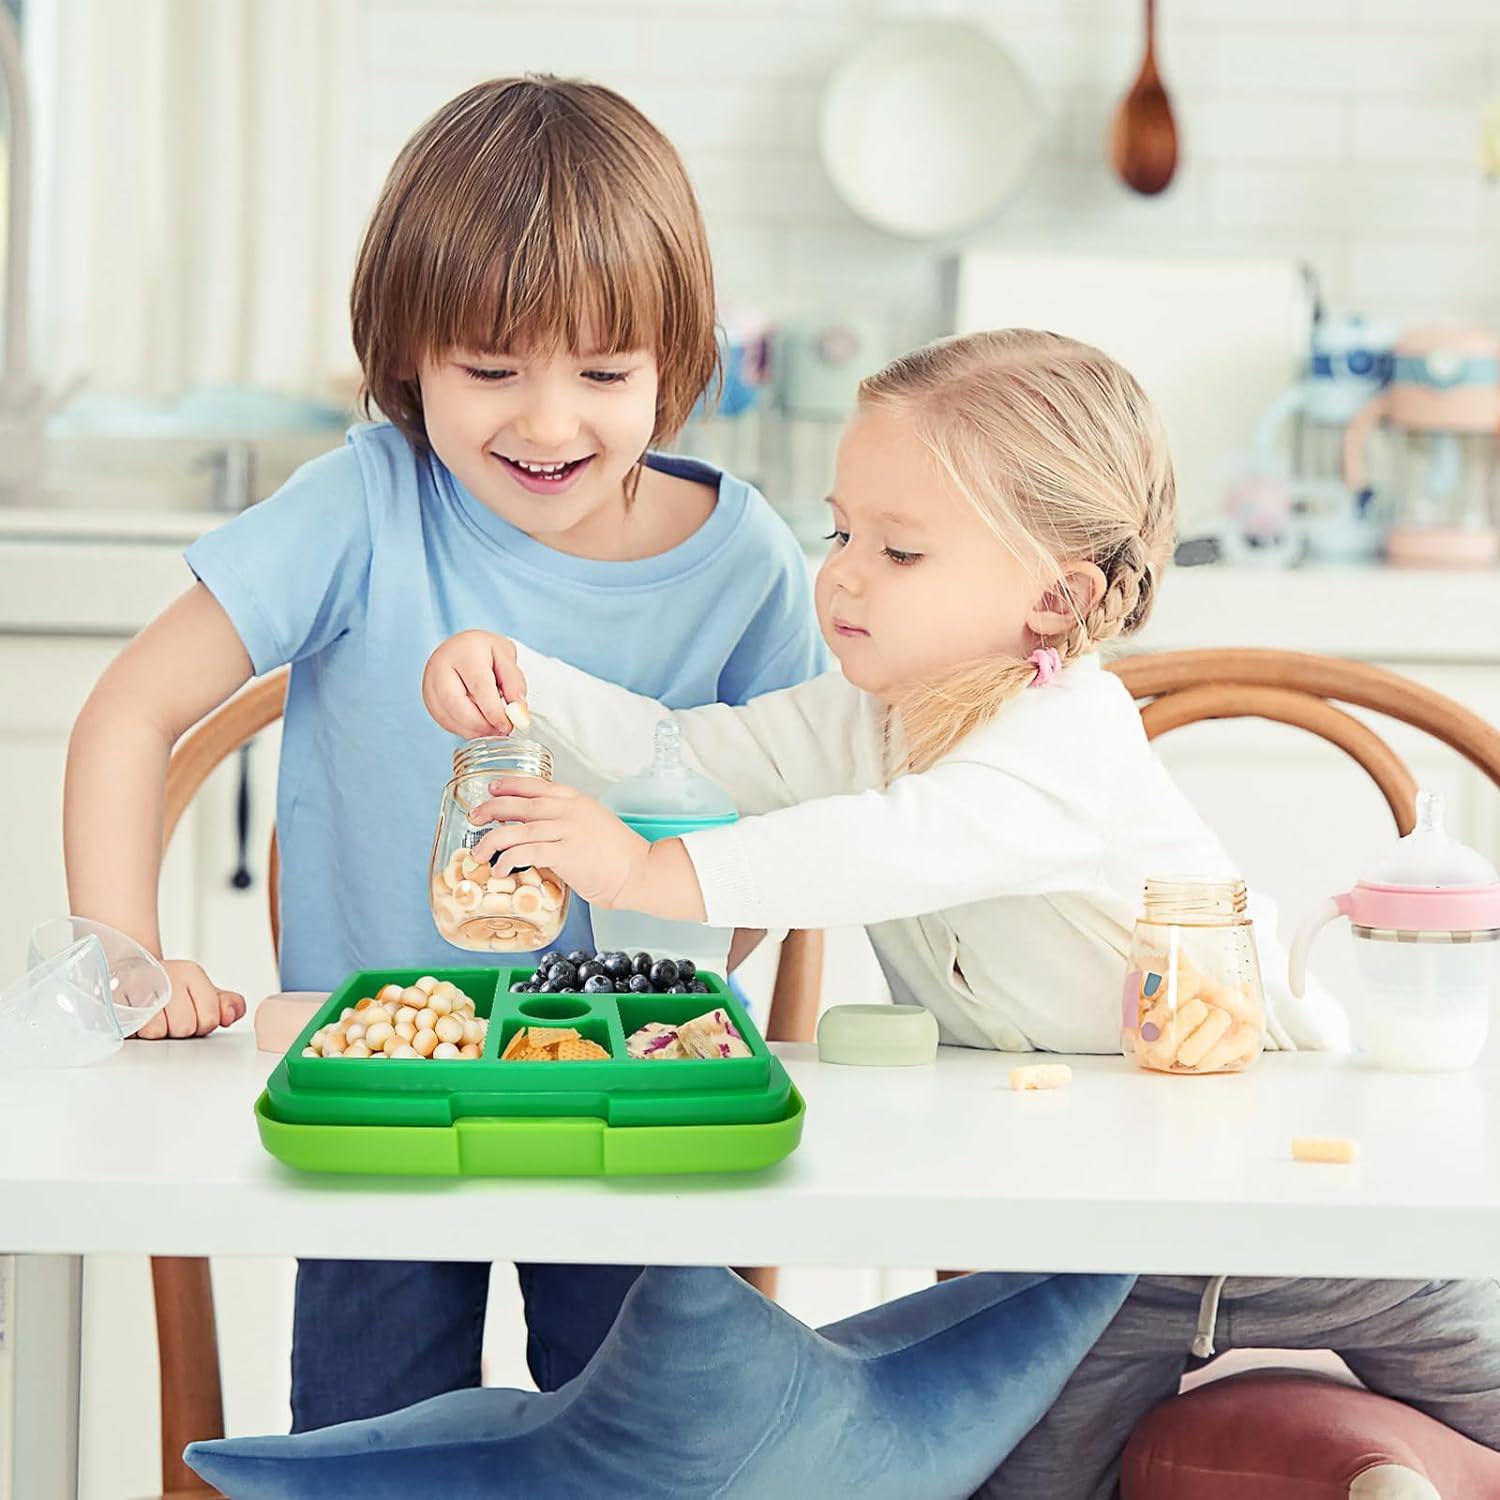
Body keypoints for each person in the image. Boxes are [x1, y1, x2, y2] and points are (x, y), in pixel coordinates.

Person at [424, 328, 1500, 1496]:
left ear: (1055, 595)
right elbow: (687, 751)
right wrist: (517, 676)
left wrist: (642, 873)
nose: (841, 573)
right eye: (841, 532)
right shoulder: (867, 715)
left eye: (899, 550)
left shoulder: (1065, 737)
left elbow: (887, 849)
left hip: (1289, 1209)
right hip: (1083, 1253)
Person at [64, 75, 824, 1430]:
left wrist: (685, 895)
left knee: (642, 1450)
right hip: (375, 1101)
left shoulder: (746, 566)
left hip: (635, 1103)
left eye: (603, 374)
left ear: (679, 362)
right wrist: (126, 956)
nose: (546, 425)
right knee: (368, 1451)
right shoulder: (365, 503)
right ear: (408, 356)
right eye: (490, 370)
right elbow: (129, 712)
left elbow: (809, 825)